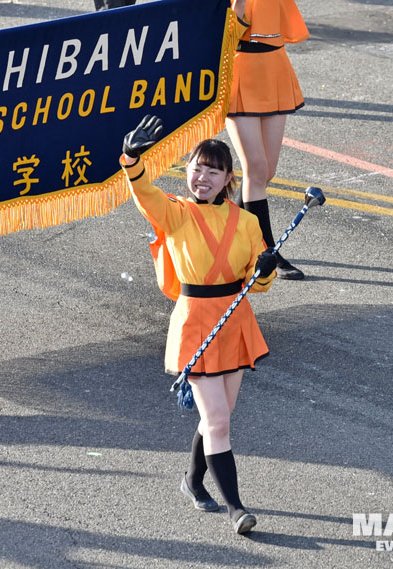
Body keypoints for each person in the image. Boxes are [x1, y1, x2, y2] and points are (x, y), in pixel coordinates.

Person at [120, 115, 277, 535]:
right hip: (196, 325)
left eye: (212, 169)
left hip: (235, 321)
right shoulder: (175, 213)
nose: (201, 176)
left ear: (228, 178)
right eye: (195, 167)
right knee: (219, 421)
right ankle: (237, 509)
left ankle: (192, 481)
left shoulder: (246, 222)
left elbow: (256, 285)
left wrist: (264, 269)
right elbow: (144, 193)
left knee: (217, 418)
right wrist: (132, 158)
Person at [226, 0, 309, 280]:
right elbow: (222, 34)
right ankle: (266, 251)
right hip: (239, 71)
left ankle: (224, 229)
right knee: (257, 170)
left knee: (266, 172)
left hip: (274, 68)